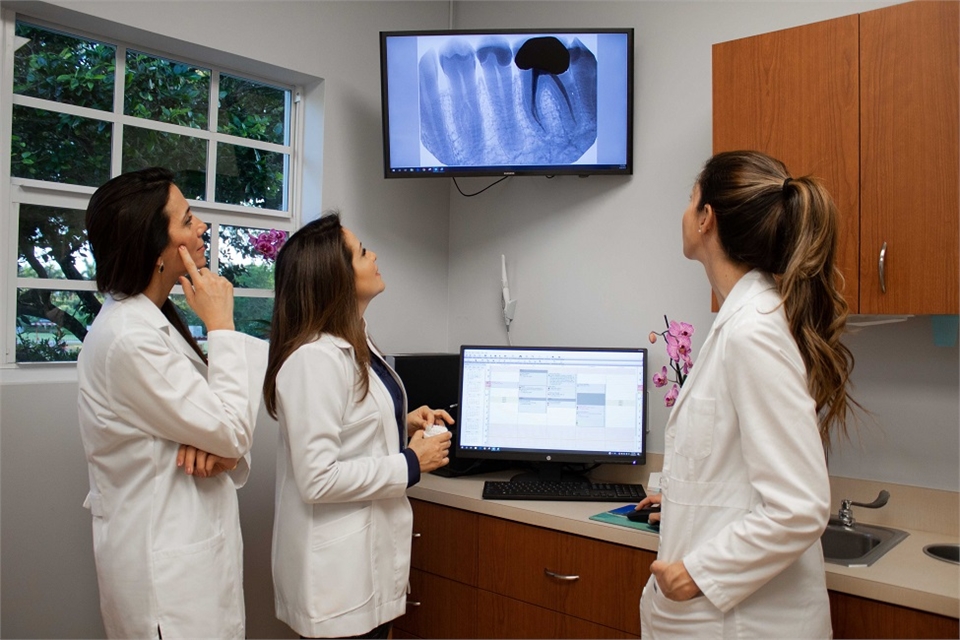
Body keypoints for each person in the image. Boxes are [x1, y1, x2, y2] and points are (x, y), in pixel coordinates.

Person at [636, 150, 858, 638]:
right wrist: (683, 498)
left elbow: (799, 505)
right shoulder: (740, 322)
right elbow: (738, 467)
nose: (685, 213)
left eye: (690, 199)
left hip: (745, 625)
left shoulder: (752, 332)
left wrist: (697, 572)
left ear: (706, 219)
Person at [77, 167, 268, 639]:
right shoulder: (129, 338)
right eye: (188, 220)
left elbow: (225, 432)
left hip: (191, 560)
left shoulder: (153, 323)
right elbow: (232, 427)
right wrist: (221, 325)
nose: (202, 227)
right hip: (167, 580)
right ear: (156, 247)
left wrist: (225, 451)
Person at [263, 212, 453, 639]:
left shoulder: (355, 341)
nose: (375, 256)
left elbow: (347, 426)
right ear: (336, 277)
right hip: (337, 580)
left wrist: (400, 423)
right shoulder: (314, 359)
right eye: (363, 252)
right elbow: (317, 478)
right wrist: (410, 462)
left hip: (367, 568)